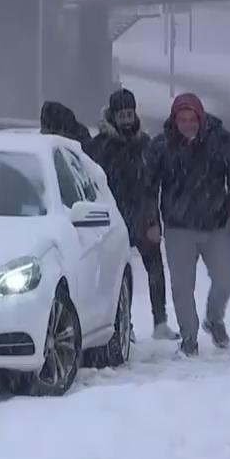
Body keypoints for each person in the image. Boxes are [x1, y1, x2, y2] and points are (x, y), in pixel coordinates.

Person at [144, 92, 230, 356]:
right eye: (183, 119)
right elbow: (147, 187)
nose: (188, 124)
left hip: (216, 224)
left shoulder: (220, 140)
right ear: (174, 120)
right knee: (182, 285)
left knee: (226, 276)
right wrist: (151, 221)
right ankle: (189, 336)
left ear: (201, 119)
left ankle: (214, 318)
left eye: (193, 119)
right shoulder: (161, 146)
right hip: (178, 226)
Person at [84, 88, 178, 341]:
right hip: (112, 219)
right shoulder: (99, 146)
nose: (127, 120)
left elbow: (154, 184)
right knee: (117, 274)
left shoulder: (146, 144)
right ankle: (124, 323)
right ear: (112, 116)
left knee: (155, 269)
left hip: (142, 215)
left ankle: (160, 322)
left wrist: (153, 220)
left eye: (130, 114)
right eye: (122, 115)